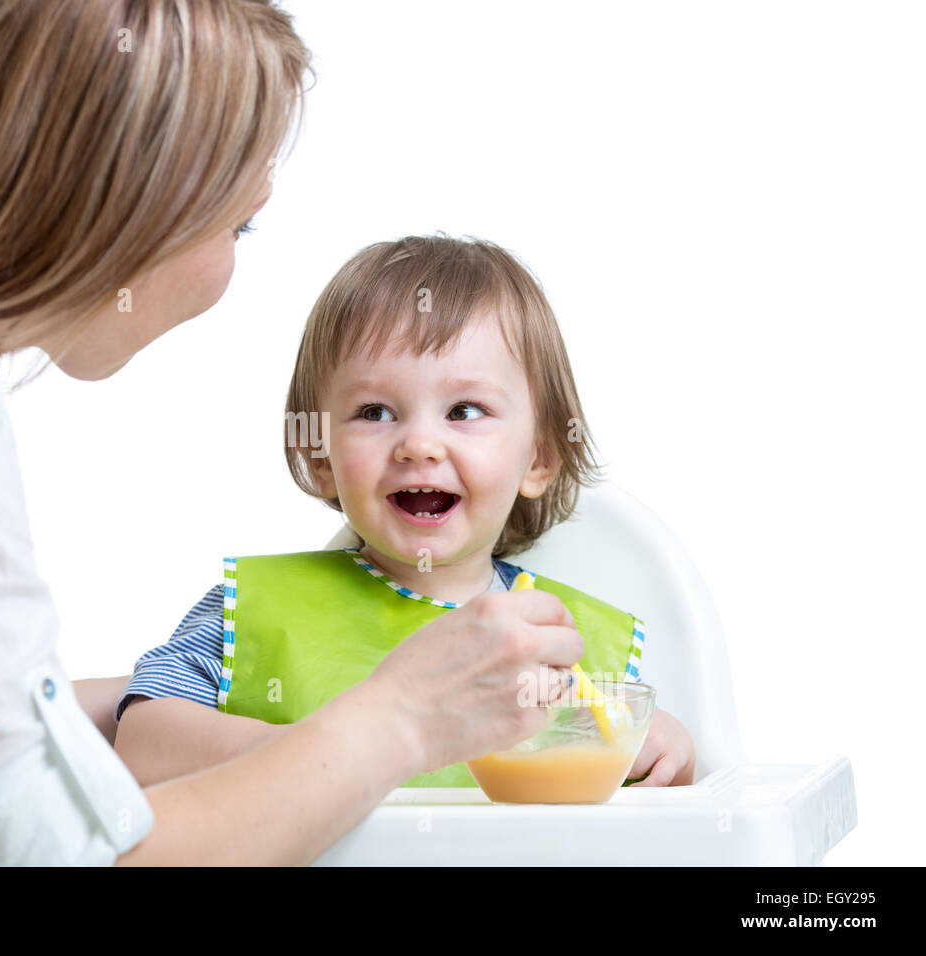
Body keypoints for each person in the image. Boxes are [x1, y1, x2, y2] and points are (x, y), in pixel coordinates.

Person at [0, 0, 592, 866]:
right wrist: (400, 719)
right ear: (126, 209)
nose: (225, 272)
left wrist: (180, 699)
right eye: (238, 228)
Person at [114, 235, 696, 791]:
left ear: (538, 457)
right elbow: (141, 743)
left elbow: (633, 828)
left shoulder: (575, 646)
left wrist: (662, 753)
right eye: (374, 411)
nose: (419, 444)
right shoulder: (254, 611)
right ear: (320, 456)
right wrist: (320, 755)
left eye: (464, 410)